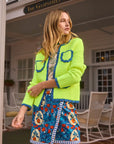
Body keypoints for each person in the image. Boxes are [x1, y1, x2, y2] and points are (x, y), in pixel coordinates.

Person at [12, 9, 86, 144]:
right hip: (41, 109)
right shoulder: (41, 53)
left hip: (63, 106)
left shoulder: (76, 43)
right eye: (62, 21)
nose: (67, 24)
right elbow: (33, 83)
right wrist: (22, 111)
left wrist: (42, 85)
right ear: (52, 24)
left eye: (68, 21)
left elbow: (74, 76)